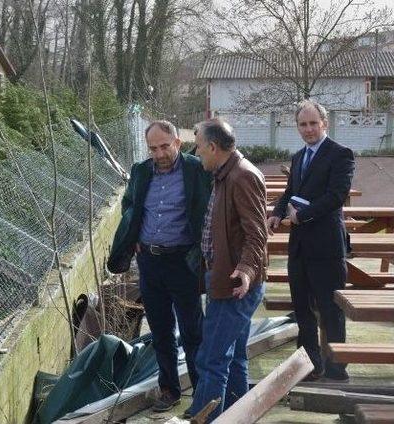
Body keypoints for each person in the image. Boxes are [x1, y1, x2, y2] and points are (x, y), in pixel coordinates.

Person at [107, 120, 212, 411]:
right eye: (153, 148)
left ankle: (201, 393)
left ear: (178, 142)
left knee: (193, 330)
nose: (160, 153)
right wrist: (134, 233)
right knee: (160, 329)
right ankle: (169, 389)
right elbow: (129, 204)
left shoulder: (196, 169)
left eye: (165, 146)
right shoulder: (141, 171)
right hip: (149, 263)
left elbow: (210, 205)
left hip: (183, 262)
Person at [267, 100, 355, 382]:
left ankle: (337, 367)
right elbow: (290, 191)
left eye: (313, 123)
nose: (308, 129)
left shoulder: (341, 154)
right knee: (302, 309)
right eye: (303, 124)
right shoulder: (298, 157)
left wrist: (301, 216)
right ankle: (309, 364)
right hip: (300, 247)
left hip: (327, 246)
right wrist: (277, 213)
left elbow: (336, 196)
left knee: (331, 309)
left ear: (324, 123)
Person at [188, 118, 267, 422]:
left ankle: (205, 418)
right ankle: (237, 415)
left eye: (199, 148)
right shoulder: (225, 174)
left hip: (234, 285)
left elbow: (257, 234)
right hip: (224, 279)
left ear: (212, 146)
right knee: (232, 359)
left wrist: (245, 270)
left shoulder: (242, 176)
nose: (197, 154)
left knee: (211, 360)